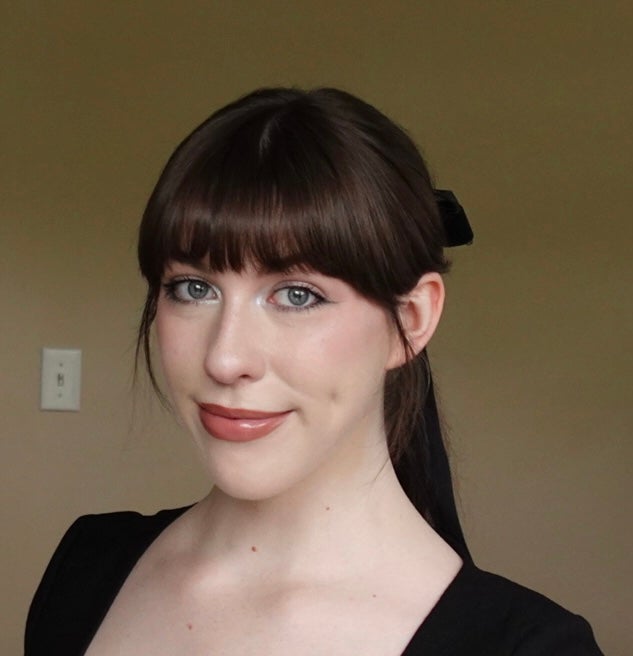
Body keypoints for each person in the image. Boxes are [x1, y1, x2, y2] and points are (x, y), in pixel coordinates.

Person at [25, 87, 603, 655]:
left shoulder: (530, 646)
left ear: (411, 319)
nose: (225, 358)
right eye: (194, 288)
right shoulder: (87, 568)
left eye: (297, 295)